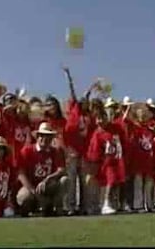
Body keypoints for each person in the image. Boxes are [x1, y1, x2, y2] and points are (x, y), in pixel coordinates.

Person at [63, 67, 98, 215]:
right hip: (72, 151)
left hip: (84, 153)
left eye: (86, 101)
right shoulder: (74, 110)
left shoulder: (89, 116)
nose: (84, 102)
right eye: (82, 101)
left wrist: (92, 87)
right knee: (71, 180)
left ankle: (85, 206)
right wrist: (69, 76)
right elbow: (73, 93)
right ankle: (70, 207)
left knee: (84, 181)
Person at [16, 122, 68, 217]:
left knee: (64, 180)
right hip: (31, 186)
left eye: (48, 136)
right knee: (24, 197)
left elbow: (61, 170)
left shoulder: (56, 151)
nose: (45, 139)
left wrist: (48, 179)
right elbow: (20, 174)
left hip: (47, 186)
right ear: (37, 137)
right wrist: (33, 191)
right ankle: (34, 208)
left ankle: (57, 208)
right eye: (42, 135)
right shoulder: (27, 151)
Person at [86, 108, 127, 215]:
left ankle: (113, 203)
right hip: (106, 162)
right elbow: (94, 151)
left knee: (116, 183)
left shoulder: (115, 128)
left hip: (117, 160)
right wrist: (93, 165)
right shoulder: (97, 134)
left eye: (102, 118)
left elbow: (123, 141)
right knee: (111, 181)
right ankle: (105, 204)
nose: (100, 121)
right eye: (97, 119)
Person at [126, 103, 155, 212]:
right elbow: (124, 120)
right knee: (138, 183)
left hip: (148, 159)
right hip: (138, 159)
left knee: (149, 183)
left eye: (144, 115)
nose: (142, 117)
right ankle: (138, 205)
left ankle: (149, 205)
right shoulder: (134, 128)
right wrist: (129, 108)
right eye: (140, 115)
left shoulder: (150, 129)